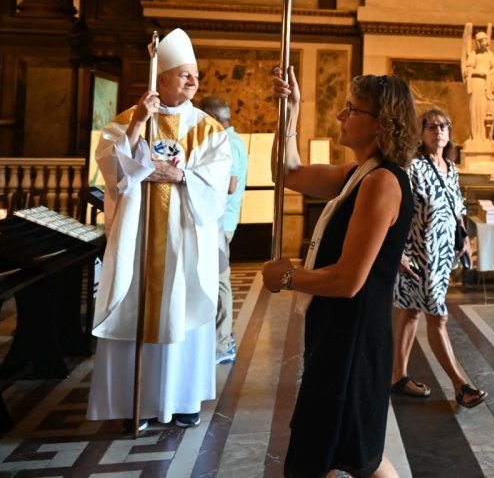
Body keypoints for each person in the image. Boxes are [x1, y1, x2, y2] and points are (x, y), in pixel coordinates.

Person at [261, 68, 419, 478]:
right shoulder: (358, 175)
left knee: (337, 457)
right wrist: (290, 112)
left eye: (351, 109)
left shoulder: (382, 182)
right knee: (350, 453)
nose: (340, 116)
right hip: (338, 331)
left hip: (353, 339)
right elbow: (286, 173)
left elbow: (349, 281)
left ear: (381, 122)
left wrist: (288, 277)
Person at [88, 28, 232, 432]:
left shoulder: (208, 129)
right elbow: (114, 173)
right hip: (138, 242)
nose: (193, 82)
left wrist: (179, 174)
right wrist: (138, 126)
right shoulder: (129, 121)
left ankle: (183, 401)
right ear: (161, 78)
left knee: (182, 313)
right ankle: (137, 405)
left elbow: (217, 181)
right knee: (138, 310)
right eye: (185, 75)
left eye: (196, 76)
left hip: (185, 240)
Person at [391, 108, 487, 408]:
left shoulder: (450, 166)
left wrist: (464, 240)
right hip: (417, 256)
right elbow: (400, 211)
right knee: (438, 316)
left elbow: (457, 207)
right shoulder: (413, 167)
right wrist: (400, 254)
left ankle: (398, 377)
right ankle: (461, 386)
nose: (438, 131)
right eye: (431, 126)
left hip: (442, 255)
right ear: (421, 133)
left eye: (444, 126)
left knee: (411, 312)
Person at [199, 95, 248, 365]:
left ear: (215, 119)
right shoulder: (231, 140)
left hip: (221, 222)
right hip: (220, 220)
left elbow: (229, 184)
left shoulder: (227, 142)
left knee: (220, 280)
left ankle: (222, 342)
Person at [461, 23, 494, 143]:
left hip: (486, 85)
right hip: (476, 83)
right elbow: (468, 70)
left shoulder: (490, 54)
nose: (484, 43)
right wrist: (479, 73)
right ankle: (475, 136)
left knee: (487, 110)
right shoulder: (473, 54)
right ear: (478, 42)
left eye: (485, 40)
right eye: (482, 41)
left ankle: (486, 137)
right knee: (476, 109)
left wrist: (492, 77)